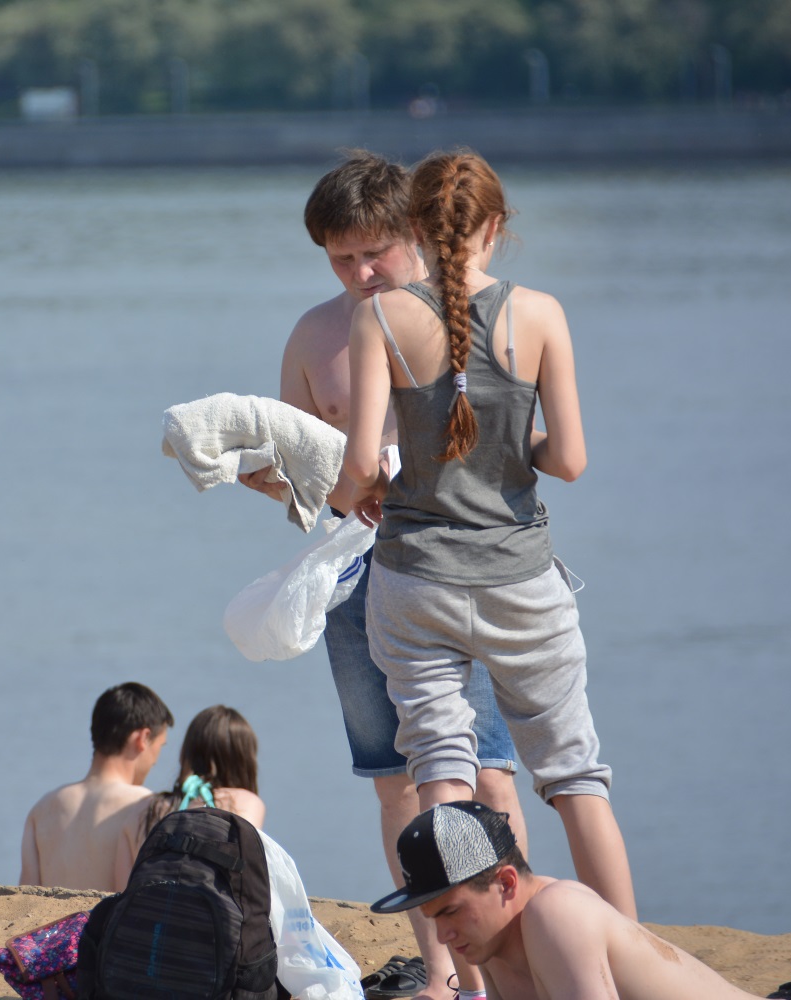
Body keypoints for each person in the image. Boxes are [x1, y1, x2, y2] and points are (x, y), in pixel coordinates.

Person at [241, 149, 530, 1000]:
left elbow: (509, 449)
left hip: (456, 563)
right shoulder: (312, 333)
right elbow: (299, 474)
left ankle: (515, 954)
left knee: (486, 770)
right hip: (354, 577)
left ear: (415, 234)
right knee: (393, 776)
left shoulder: (462, 319)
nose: (363, 272)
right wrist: (264, 474)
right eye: (342, 257)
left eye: (378, 250)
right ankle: (443, 970)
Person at [343, 150, 637, 934]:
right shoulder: (540, 313)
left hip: (414, 581)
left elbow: (358, 468)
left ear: (411, 229)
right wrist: (518, 444)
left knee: (441, 771)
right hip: (520, 579)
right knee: (575, 777)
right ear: (496, 228)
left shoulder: (377, 317)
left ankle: (481, 969)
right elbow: (569, 461)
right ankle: (626, 955)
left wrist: (362, 493)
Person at [371, 803, 756, 1000]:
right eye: (433, 918)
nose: (442, 936)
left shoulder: (557, 913)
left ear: (505, 883)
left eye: (451, 911)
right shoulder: (490, 943)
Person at [19, 682, 174, 893]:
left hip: (56, 926)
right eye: (160, 746)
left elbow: (26, 895)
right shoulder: (146, 806)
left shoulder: (43, 808)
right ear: (143, 738)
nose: (155, 760)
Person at [137, 704, 266, 835]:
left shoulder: (156, 807)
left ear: (187, 752)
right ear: (244, 760)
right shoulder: (246, 802)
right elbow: (246, 852)